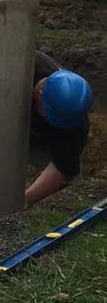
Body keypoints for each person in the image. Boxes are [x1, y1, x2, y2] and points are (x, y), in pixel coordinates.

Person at [26, 51, 94, 208]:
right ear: (40, 95)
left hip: (42, 142)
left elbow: (62, 168)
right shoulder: (26, 65)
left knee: (72, 186)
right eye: (51, 118)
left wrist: (26, 199)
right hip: (6, 130)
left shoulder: (73, 119)